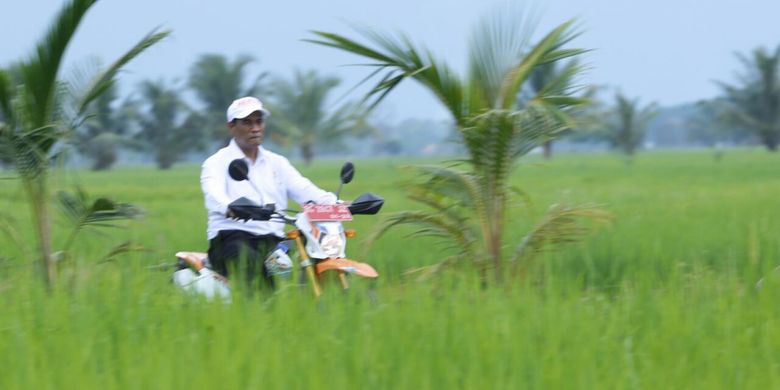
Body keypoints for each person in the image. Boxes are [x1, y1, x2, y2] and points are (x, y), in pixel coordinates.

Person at [200, 96, 336, 291]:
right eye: (247, 122)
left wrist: (338, 203)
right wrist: (230, 208)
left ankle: (305, 299)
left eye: (258, 121)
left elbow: (305, 190)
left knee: (308, 255)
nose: (255, 128)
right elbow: (213, 195)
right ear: (231, 127)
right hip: (232, 238)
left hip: (274, 242)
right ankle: (263, 309)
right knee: (256, 268)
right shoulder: (216, 162)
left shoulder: (277, 162)